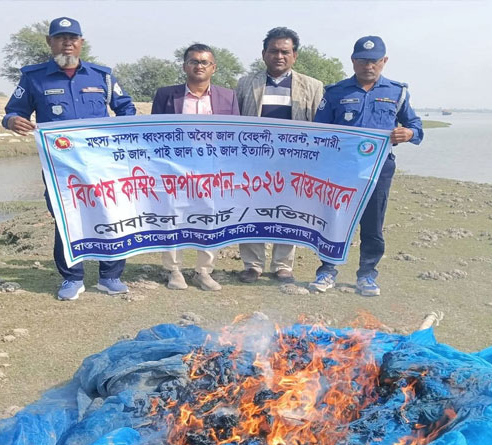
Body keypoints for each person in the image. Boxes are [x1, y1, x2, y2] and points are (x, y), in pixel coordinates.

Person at [3, 17, 136, 301]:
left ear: (81, 42)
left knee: (111, 214)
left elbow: (126, 109)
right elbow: (13, 111)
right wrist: (12, 120)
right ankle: (72, 278)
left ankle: (110, 276)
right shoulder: (33, 77)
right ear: (49, 42)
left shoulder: (102, 77)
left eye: (73, 38)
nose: (67, 43)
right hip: (60, 168)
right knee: (66, 219)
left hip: (103, 165)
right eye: (61, 38)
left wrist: (120, 137)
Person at [308, 36, 423, 297]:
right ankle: (327, 271)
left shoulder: (397, 92)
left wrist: (408, 133)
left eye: (374, 61)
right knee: (334, 219)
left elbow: (415, 126)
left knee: (373, 224)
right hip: (340, 169)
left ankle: (367, 275)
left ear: (384, 61)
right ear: (353, 61)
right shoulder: (336, 92)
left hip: (378, 170)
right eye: (362, 60)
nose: (368, 66)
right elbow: (319, 131)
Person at [235, 27, 324, 284]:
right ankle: (252, 265)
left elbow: (321, 127)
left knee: (288, 212)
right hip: (253, 162)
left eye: (285, 51)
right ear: (264, 54)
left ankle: (283, 265)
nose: (279, 56)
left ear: (295, 55)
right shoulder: (246, 84)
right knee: (251, 211)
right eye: (273, 51)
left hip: (294, 163)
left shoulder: (313, 86)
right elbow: (232, 123)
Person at [151, 44, 240, 291]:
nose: (199, 66)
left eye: (204, 62)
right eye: (194, 61)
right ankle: (173, 270)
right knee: (172, 218)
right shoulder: (166, 95)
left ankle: (204, 271)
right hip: (175, 169)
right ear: (184, 66)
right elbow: (153, 133)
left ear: (214, 68)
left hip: (212, 170)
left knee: (211, 218)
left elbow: (234, 136)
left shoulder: (228, 97)